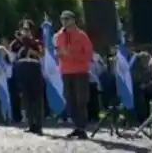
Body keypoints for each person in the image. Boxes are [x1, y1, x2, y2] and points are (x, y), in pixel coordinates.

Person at [54, 9, 93, 139]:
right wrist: (60, 54)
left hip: (80, 71)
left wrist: (72, 55)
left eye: (67, 19)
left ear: (73, 20)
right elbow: (58, 52)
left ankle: (82, 127)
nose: (64, 22)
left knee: (80, 100)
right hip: (66, 71)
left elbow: (88, 55)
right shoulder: (59, 36)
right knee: (70, 99)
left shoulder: (81, 35)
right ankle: (76, 126)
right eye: (62, 19)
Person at [9, 20, 45, 135]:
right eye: (23, 29)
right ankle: (30, 124)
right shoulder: (16, 43)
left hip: (34, 68)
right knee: (26, 98)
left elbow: (41, 54)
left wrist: (31, 49)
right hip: (22, 69)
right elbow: (11, 55)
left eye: (27, 29)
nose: (25, 31)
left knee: (36, 98)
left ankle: (38, 125)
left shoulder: (37, 42)